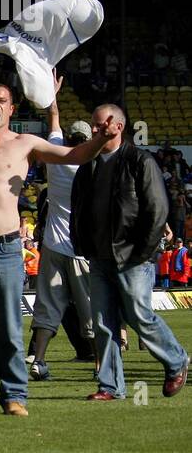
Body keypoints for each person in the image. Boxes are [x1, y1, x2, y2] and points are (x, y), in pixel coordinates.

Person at [0, 39, 116, 418]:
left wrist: (101, 138)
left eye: (1, 100)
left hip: (8, 248)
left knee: (10, 325)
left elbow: (74, 155)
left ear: (12, 108)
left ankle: (14, 395)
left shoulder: (26, 144)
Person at [72, 104, 189, 401]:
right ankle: (110, 386)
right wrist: (81, 244)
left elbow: (157, 208)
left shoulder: (140, 160)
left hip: (132, 257)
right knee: (103, 322)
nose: (94, 129)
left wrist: (143, 251)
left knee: (138, 316)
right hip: (98, 257)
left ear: (119, 126)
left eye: (100, 125)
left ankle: (176, 361)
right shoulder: (89, 165)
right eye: (93, 125)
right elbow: (79, 208)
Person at [26, 85, 95, 380]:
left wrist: (51, 93)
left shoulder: (56, 160)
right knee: (91, 310)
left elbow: (52, 118)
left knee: (47, 308)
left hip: (52, 246)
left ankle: (38, 361)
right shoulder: (93, 167)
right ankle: (100, 366)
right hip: (81, 248)